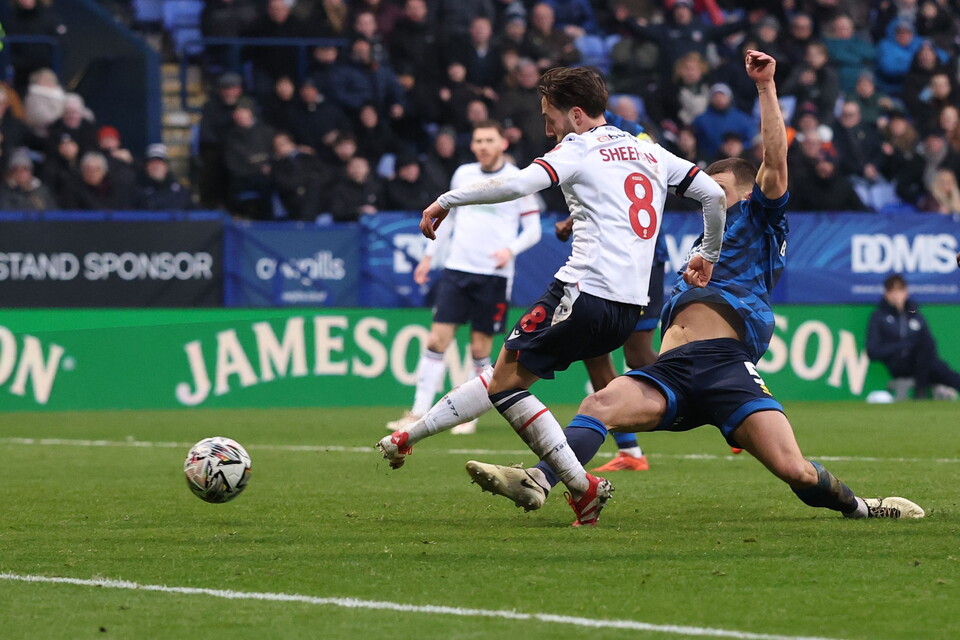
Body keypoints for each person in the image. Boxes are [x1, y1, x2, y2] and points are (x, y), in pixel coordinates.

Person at [463, 51, 925, 525]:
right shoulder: (707, 241)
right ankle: (540, 480)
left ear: (745, 193)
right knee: (598, 404)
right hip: (673, 371)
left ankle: (865, 508)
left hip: (725, 368)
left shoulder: (757, 215)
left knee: (796, 470)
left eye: (716, 188)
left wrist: (765, 87)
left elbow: (776, 158)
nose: (705, 193)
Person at [378, 65, 727, 525]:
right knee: (506, 375)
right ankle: (411, 437)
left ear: (577, 115)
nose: (548, 129)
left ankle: (583, 488)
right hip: (629, 307)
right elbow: (714, 197)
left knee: (505, 383)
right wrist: (707, 253)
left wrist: (446, 199)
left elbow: (518, 184)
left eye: (551, 117)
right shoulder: (651, 152)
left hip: (582, 290)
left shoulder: (578, 148)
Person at [385, 120, 543, 435]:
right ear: (472, 146)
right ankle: (418, 412)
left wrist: (509, 250)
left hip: (494, 276)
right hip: (457, 270)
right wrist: (429, 257)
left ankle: (468, 415)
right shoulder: (463, 175)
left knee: (480, 349)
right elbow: (450, 217)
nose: (483, 145)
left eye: (489, 140)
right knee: (436, 340)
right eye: (478, 140)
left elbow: (534, 231)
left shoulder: (518, 179)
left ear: (503, 144)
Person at [867, 273, 960, 401]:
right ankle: (922, 390)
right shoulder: (879, 316)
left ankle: (921, 389)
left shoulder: (914, 313)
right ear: (886, 294)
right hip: (898, 364)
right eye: (893, 291)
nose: (897, 295)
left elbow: (929, 344)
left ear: (906, 292)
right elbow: (872, 351)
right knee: (933, 364)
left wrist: (914, 345)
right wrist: (903, 345)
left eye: (900, 290)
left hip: (923, 363)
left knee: (932, 358)